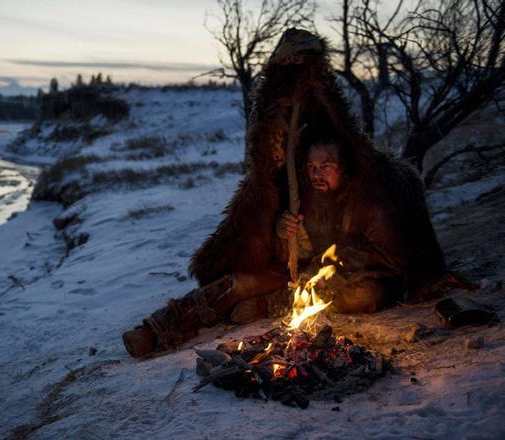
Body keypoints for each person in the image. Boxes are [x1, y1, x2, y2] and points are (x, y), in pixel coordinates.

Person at [122, 29, 447, 358]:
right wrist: (283, 233)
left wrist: (331, 265)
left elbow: (391, 256)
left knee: (366, 297)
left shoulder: (370, 196)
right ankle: (157, 329)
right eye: (311, 166)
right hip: (296, 279)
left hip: (351, 281)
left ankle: (266, 305)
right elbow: (287, 255)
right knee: (236, 283)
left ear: (344, 166)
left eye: (327, 165)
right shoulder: (304, 192)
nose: (317, 172)